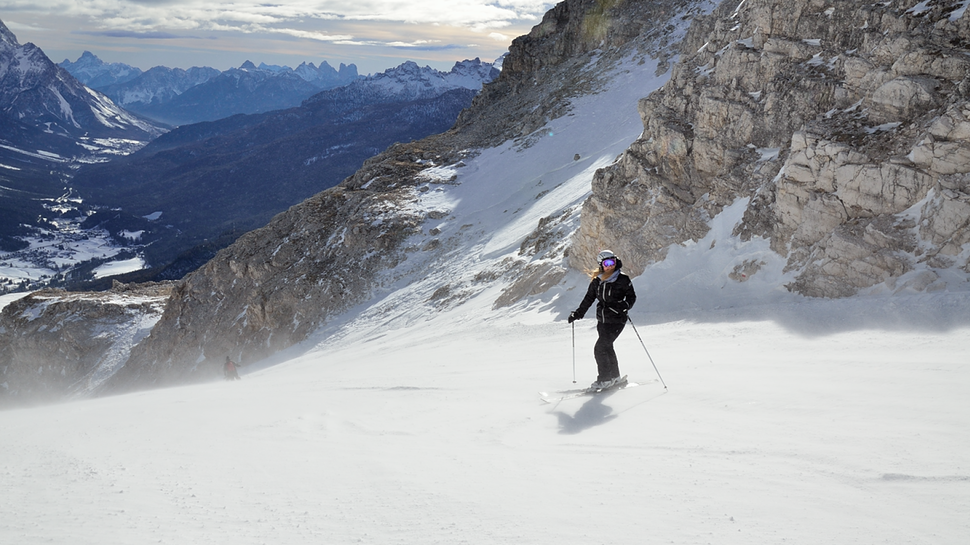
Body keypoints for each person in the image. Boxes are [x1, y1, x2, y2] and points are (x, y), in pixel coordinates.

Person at [568, 250, 637, 390]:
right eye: (607, 263)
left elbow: (631, 297)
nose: (610, 265)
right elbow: (589, 299)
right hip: (603, 320)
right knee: (607, 347)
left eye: (613, 261)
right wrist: (578, 314)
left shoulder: (623, 279)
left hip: (617, 319)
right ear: (601, 265)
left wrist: (624, 306)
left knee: (600, 348)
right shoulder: (597, 281)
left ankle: (604, 379)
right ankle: (615, 378)